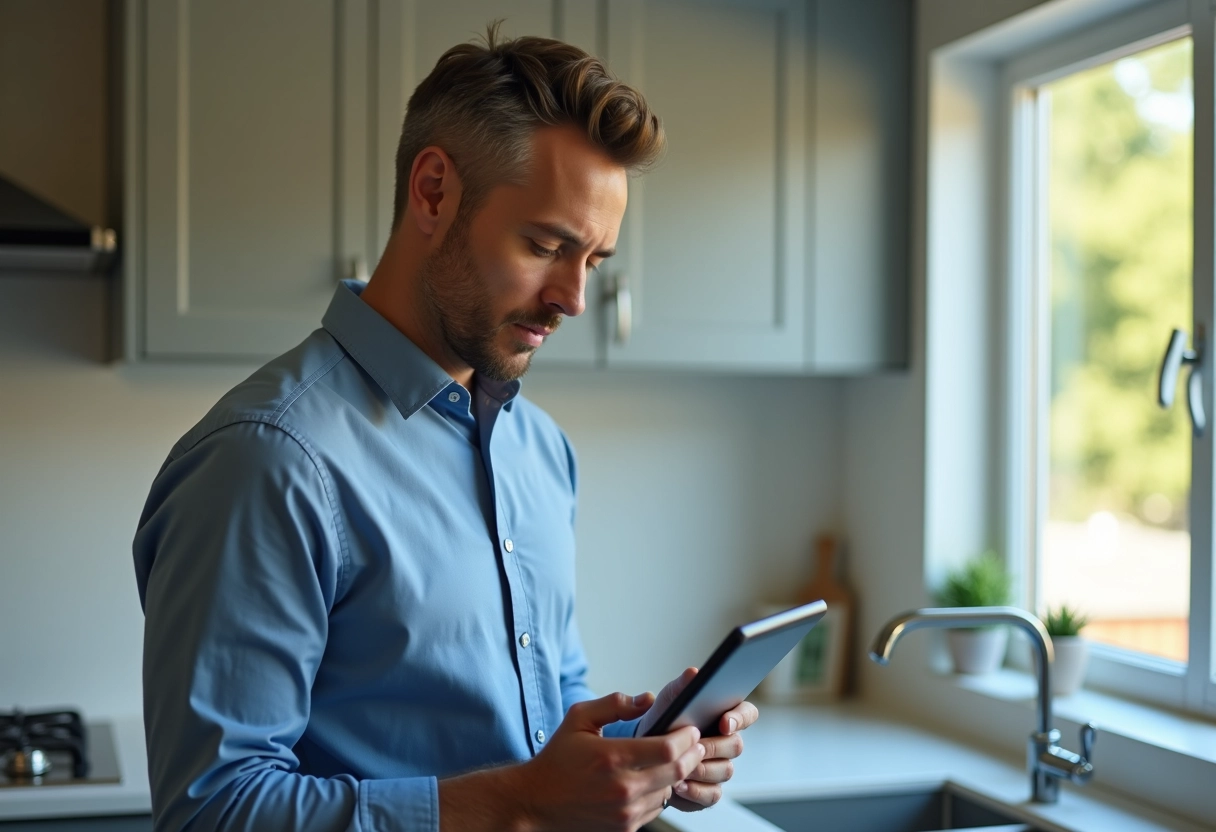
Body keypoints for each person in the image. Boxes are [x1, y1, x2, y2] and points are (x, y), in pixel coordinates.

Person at [133, 26, 758, 832]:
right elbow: (212, 814)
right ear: (433, 192)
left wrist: (644, 760)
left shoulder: (540, 452)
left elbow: (549, 719)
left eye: (594, 260)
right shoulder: (267, 463)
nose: (573, 298)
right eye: (546, 245)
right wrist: (522, 803)